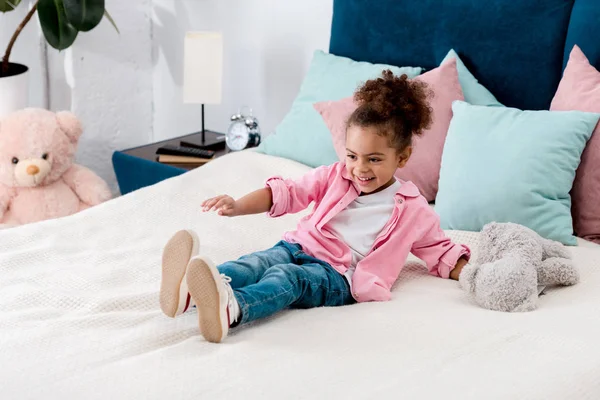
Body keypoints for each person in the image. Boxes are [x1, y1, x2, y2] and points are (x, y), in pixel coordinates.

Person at [159, 70, 470, 343]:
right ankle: (190, 292)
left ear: (401, 157)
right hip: (298, 246)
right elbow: (285, 192)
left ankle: (234, 308)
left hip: (341, 276)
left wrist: (472, 274)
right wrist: (238, 205)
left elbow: (441, 252)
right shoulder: (335, 176)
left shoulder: (413, 208)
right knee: (255, 263)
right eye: (352, 156)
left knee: (287, 278)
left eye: (374, 159)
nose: (359, 168)